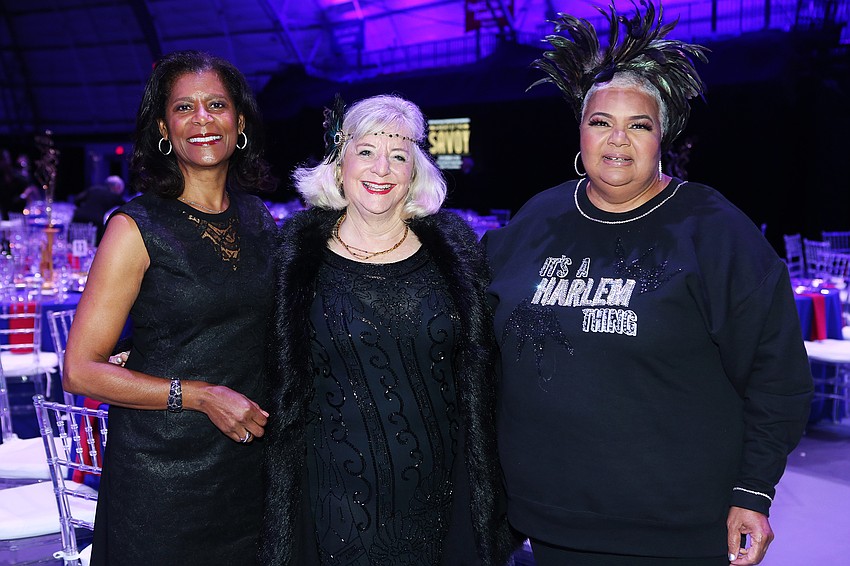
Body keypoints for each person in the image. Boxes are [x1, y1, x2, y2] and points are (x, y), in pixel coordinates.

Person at [483, 2, 814, 565]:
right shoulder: (535, 221)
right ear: (579, 132)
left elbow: (776, 373)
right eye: (600, 123)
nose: (618, 140)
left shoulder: (713, 230)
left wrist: (753, 490)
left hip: (675, 528)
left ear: (663, 136)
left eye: (639, 125)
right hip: (551, 521)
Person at [260, 94, 519, 565]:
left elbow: (502, 351)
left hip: (441, 495)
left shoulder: (456, 252)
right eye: (366, 152)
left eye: (399, 156)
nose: (382, 168)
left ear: (414, 173)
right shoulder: (295, 257)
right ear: (340, 166)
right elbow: (237, 329)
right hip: (334, 499)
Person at [63, 49, 278, 565]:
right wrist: (200, 395)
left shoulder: (259, 218)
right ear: (164, 128)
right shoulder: (134, 229)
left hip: (249, 473)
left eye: (216, 105)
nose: (202, 120)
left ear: (240, 121)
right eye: (184, 108)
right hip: (163, 487)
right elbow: (79, 371)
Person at [72, 175, 129, 243]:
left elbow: (77, 200)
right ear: (117, 187)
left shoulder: (93, 189)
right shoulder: (114, 196)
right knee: (95, 245)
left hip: (78, 218)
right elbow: (127, 207)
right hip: (96, 222)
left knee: (74, 243)